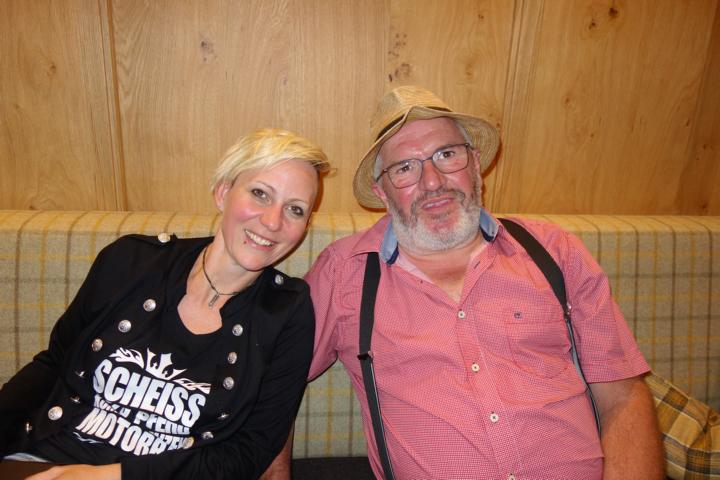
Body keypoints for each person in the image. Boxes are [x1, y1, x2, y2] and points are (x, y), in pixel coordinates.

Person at [268, 86, 664, 479]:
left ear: (475, 163)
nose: (432, 181)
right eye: (404, 168)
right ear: (382, 193)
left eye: (446, 155)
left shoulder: (555, 251)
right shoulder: (344, 272)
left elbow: (623, 397)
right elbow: (269, 383)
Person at [0, 128, 331, 479]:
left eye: (295, 210)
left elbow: (248, 451)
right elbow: (53, 364)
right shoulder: (130, 260)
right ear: (223, 192)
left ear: (305, 226)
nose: (272, 221)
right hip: (42, 459)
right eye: (260, 193)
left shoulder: (287, 313)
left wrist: (103, 476)